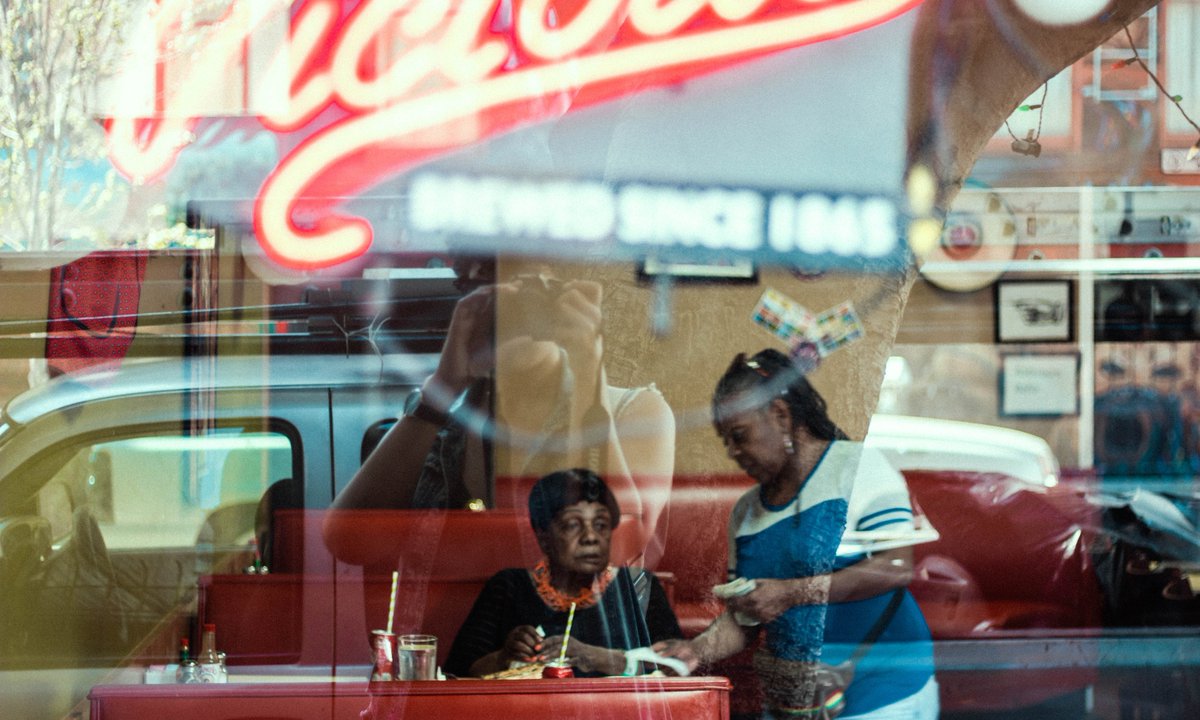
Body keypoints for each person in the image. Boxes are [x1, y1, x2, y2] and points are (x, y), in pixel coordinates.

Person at [326, 257, 675, 565]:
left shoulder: (635, 413)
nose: (510, 318)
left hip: (570, 641)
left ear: (564, 297)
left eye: (526, 296)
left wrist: (589, 376)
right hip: (445, 640)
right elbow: (347, 543)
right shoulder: (434, 419)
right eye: (491, 298)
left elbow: (621, 553)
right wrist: (440, 390)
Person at [654, 349, 937, 720]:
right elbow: (744, 618)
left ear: (781, 416)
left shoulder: (856, 467)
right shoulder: (746, 511)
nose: (733, 452)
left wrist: (790, 593)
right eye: (726, 441)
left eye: (739, 435)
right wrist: (696, 650)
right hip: (797, 701)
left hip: (883, 689)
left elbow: (897, 567)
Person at [443, 468, 682, 678]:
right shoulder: (509, 586)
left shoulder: (635, 586)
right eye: (572, 525)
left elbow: (677, 666)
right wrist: (505, 657)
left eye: (600, 525)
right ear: (543, 536)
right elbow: (459, 672)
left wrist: (594, 657)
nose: (590, 537)